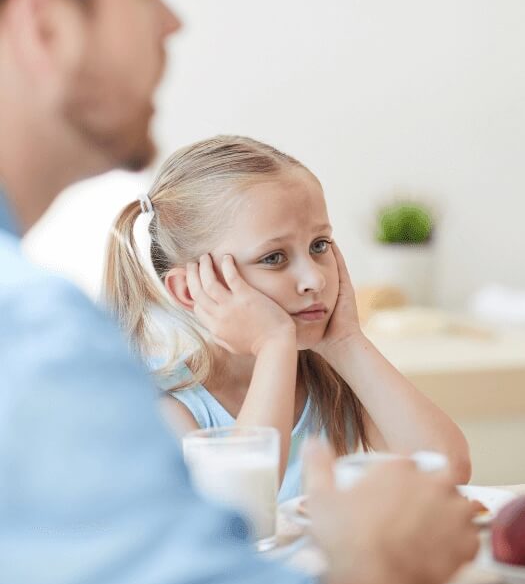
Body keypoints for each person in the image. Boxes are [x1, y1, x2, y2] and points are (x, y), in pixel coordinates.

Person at [0, 0, 478, 584]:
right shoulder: (39, 335)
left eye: (319, 245)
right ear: (46, 29)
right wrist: (381, 575)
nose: (174, 22)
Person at [103, 135, 472, 498]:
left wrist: (345, 341)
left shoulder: (329, 378)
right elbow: (241, 514)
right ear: (190, 289)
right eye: (274, 258)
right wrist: (273, 344)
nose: (314, 278)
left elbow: (447, 470)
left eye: (319, 245)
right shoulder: (164, 403)